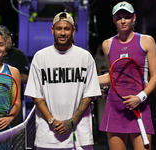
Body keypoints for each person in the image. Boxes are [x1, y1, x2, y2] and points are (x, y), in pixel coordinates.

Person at [24, 12, 101, 149]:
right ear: (53, 30)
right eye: (59, 28)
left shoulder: (85, 57)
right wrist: (52, 121)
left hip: (79, 136)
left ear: (73, 31)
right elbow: (36, 95)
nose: (63, 32)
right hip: (47, 135)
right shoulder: (40, 57)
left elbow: (89, 95)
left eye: (67, 28)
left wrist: (72, 121)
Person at [98, 1, 156, 150]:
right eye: (119, 17)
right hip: (115, 106)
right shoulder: (107, 44)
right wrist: (87, 81)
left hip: (140, 106)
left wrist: (140, 97)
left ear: (134, 18)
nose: (123, 21)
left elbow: (155, 77)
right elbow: (113, 76)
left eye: (127, 16)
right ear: (113, 20)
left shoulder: (147, 41)